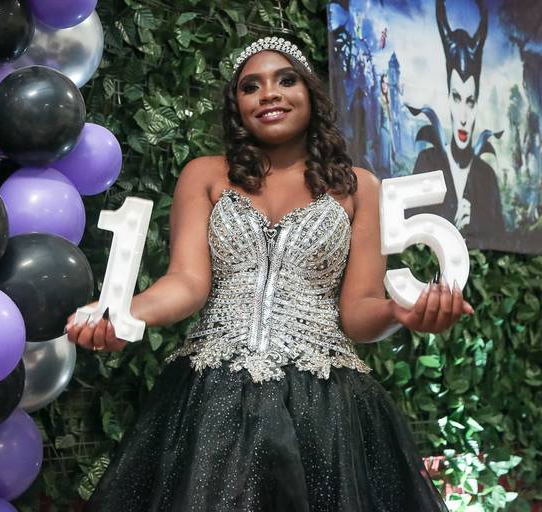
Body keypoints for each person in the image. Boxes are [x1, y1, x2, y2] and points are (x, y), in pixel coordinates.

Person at [66, 36, 472, 511]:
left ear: (310, 94)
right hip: (213, 396)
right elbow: (187, 284)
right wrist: (123, 312)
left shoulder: (359, 187)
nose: (269, 94)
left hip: (324, 405)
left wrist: (401, 311)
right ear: (236, 105)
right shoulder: (204, 175)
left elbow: (359, 314)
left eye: (286, 80)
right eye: (250, 86)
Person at [409, 0, 504, 242]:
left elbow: (498, 238)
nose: (463, 117)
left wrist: (476, 224)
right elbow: (407, 232)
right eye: (457, 97)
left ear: (477, 103)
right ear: (448, 99)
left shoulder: (487, 177)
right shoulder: (427, 162)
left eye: (470, 101)